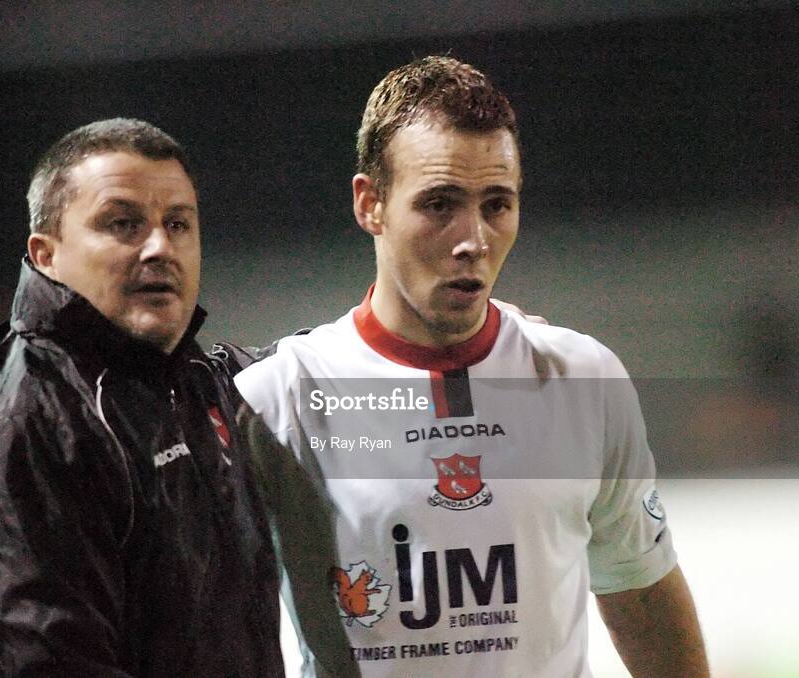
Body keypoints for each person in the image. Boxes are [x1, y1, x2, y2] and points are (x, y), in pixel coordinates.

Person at [233, 56, 709, 676]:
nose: (474, 240)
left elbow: (641, 592)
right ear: (370, 204)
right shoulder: (278, 399)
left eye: (496, 205)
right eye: (439, 204)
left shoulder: (581, 379)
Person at [0, 119, 284, 676]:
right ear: (45, 254)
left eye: (177, 224)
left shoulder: (188, 381)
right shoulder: (24, 422)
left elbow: (342, 366)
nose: (159, 247)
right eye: (123, 223)